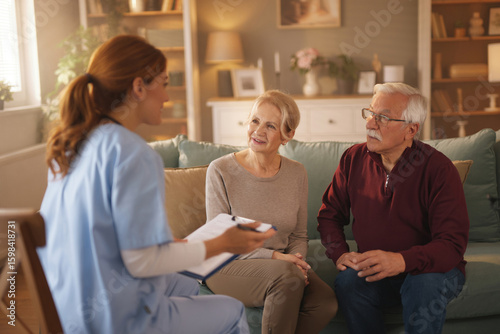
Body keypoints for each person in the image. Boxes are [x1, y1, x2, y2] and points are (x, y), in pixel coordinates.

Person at [37, 35, 275, 334]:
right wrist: (223, 244)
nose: (166, 97)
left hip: (68, 310)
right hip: (115, 320)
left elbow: (98, 236)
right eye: (163, 83)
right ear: (139, 88)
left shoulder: (70, 146)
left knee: (185, 280)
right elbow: (142, 261)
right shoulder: (133, 153)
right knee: (232, 310)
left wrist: (173, 246)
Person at [317, 82, 469, 334]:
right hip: (376, 270)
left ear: (411, 129)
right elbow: (329, 216)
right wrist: (340, 254)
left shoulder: (439, 170)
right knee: (348, 282)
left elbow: (451, 245)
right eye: (370, 113)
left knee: (423, 284)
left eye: (383, 117)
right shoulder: (352, 159)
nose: (370, 124)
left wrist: (401, 260)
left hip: (430, 270)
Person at [205, 90, 338, 334]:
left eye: (270, 126)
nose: (258, 131)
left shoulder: (297, 173)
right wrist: (279, 260)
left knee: (324, 302)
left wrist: (295, 261)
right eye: (255, 121)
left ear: (288, 135)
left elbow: (298, 235)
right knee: (287, 278)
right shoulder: (220, 170)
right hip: (226, 264)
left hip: (284, 267)